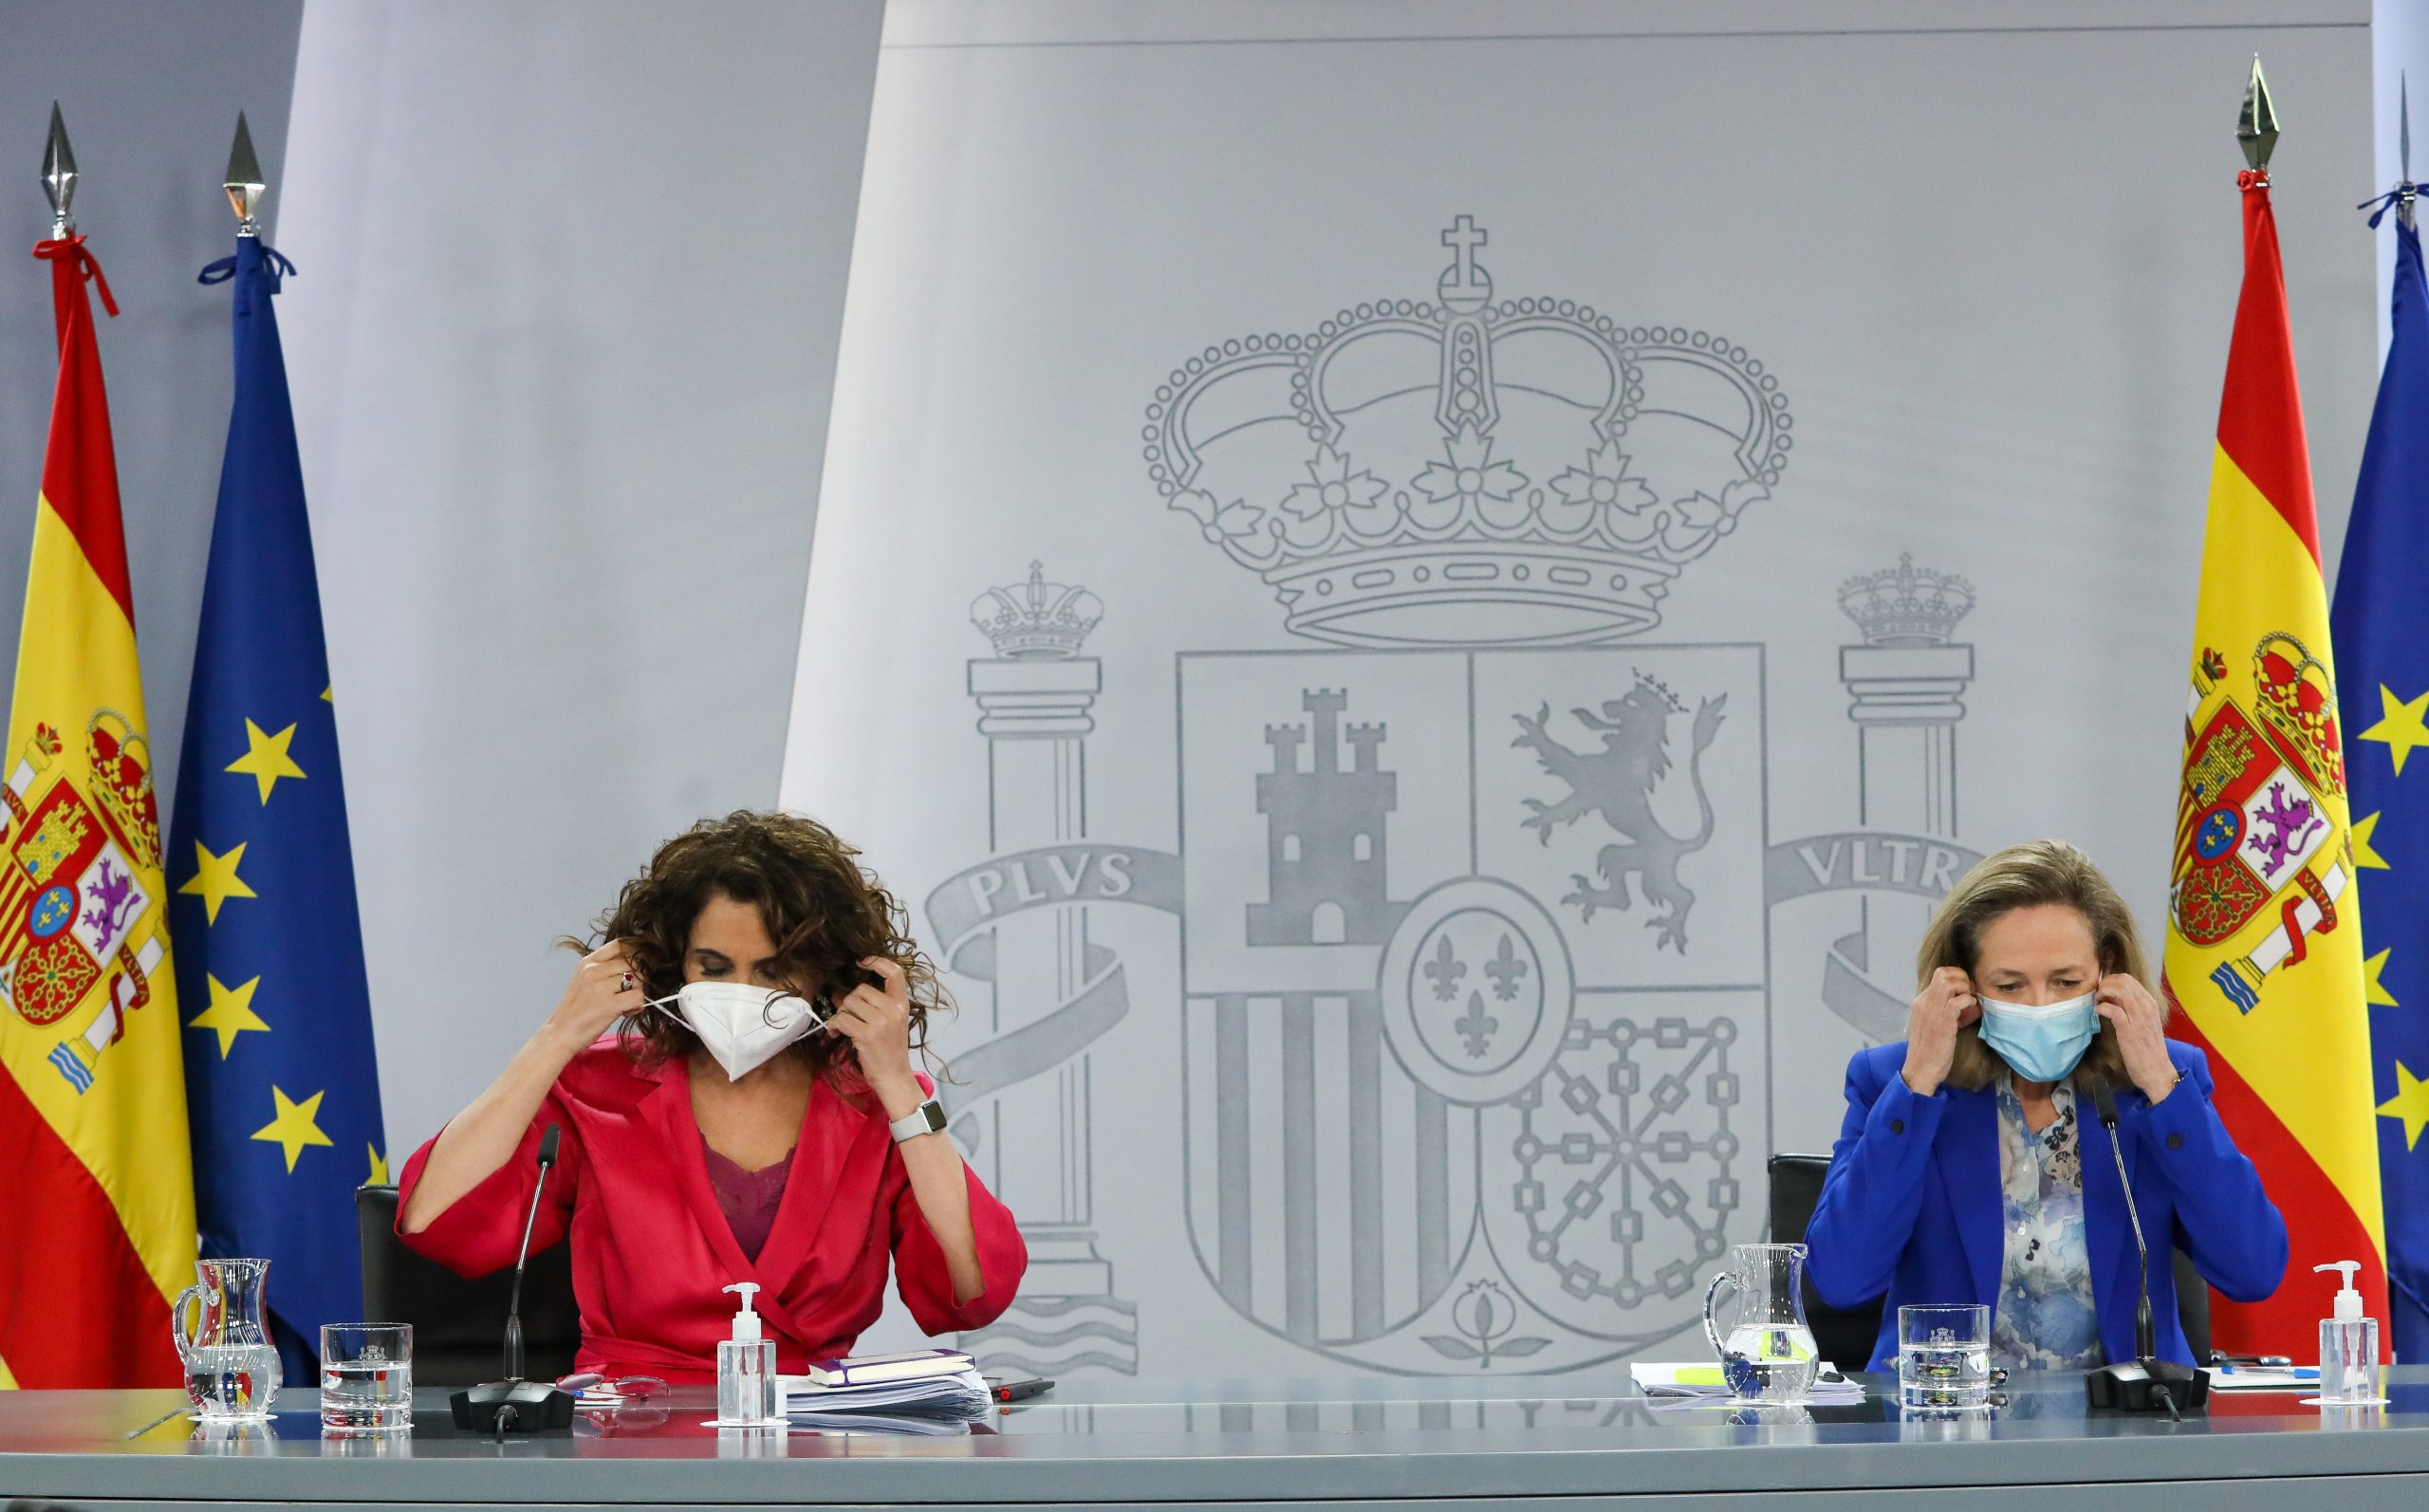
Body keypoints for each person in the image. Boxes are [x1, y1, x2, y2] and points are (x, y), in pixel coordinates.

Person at [397, 810, 1025, 1384]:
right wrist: (557, 1037)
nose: (744, 991)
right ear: (673, 966)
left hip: (811, 1438)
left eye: (776, 970)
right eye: (715, 966)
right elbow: (433, 1221)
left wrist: (894, 1084)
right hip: (626, 1436)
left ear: (826, 975)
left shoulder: (873, 1105)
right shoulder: (595, 1089)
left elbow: (972, 1291)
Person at [1804, 839, 2286, 1372]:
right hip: (1943, 1428)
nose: (2041, 1006)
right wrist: (1917, 1084)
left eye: (2066, 982)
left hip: (2125, 1435)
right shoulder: (1893, 1083)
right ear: (1964, 985)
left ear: (2108, 973)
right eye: (2010, 985)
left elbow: (2253, 1270)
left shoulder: (2158, 1082)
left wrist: (2164, 1090)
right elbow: (1842, 1280)